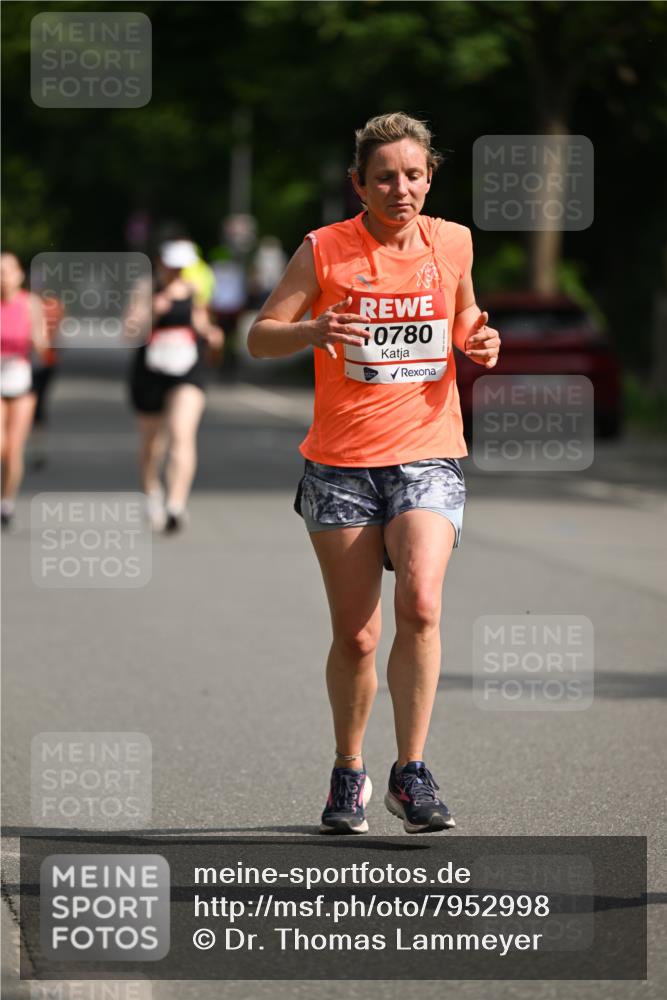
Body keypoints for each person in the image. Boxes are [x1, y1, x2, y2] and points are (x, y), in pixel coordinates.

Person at [248, 112, 500, 834]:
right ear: (358, 184)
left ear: (430, 178)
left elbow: (462, 317)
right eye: (384, 177)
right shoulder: (325, 249)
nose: (401, 188)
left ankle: (410, 772)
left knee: (420, 603)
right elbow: (260, 337)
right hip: (340, 466)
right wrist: (311, 329)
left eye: (413, 175)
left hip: (427, 450)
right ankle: (348, 768)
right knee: (357, 636)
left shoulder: (453, 241)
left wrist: (478, 338)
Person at [126, 240, 224, 533]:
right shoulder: (146, 289)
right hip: (150, 371)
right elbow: (129, 331)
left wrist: (213, 336)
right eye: (172, 266)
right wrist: (152, 312)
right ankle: (152, 492)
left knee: (182, 434)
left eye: (182, 266)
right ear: (161, 263)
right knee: (152, 443)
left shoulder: (194, 290)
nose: (177, 272)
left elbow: (202, 324)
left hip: (187, 369)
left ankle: (176, 505)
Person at [0, 252, 48, 529]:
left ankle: (6, 502)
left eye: (7, 271)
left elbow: (42, 345)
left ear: (19, 275)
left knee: (13, 450)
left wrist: (36, 339)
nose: (3, 277)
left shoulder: (30, 304)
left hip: (20, 379)